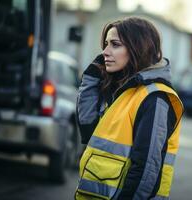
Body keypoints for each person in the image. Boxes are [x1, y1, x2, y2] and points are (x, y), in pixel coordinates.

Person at [75, 17, 184, 200]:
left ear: (138, 48)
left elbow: (146, 172)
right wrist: (91, 79)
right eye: (106, 44)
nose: (105, 52)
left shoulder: (155, 97)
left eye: (115, 44)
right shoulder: (120, 91)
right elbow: (88, 131)